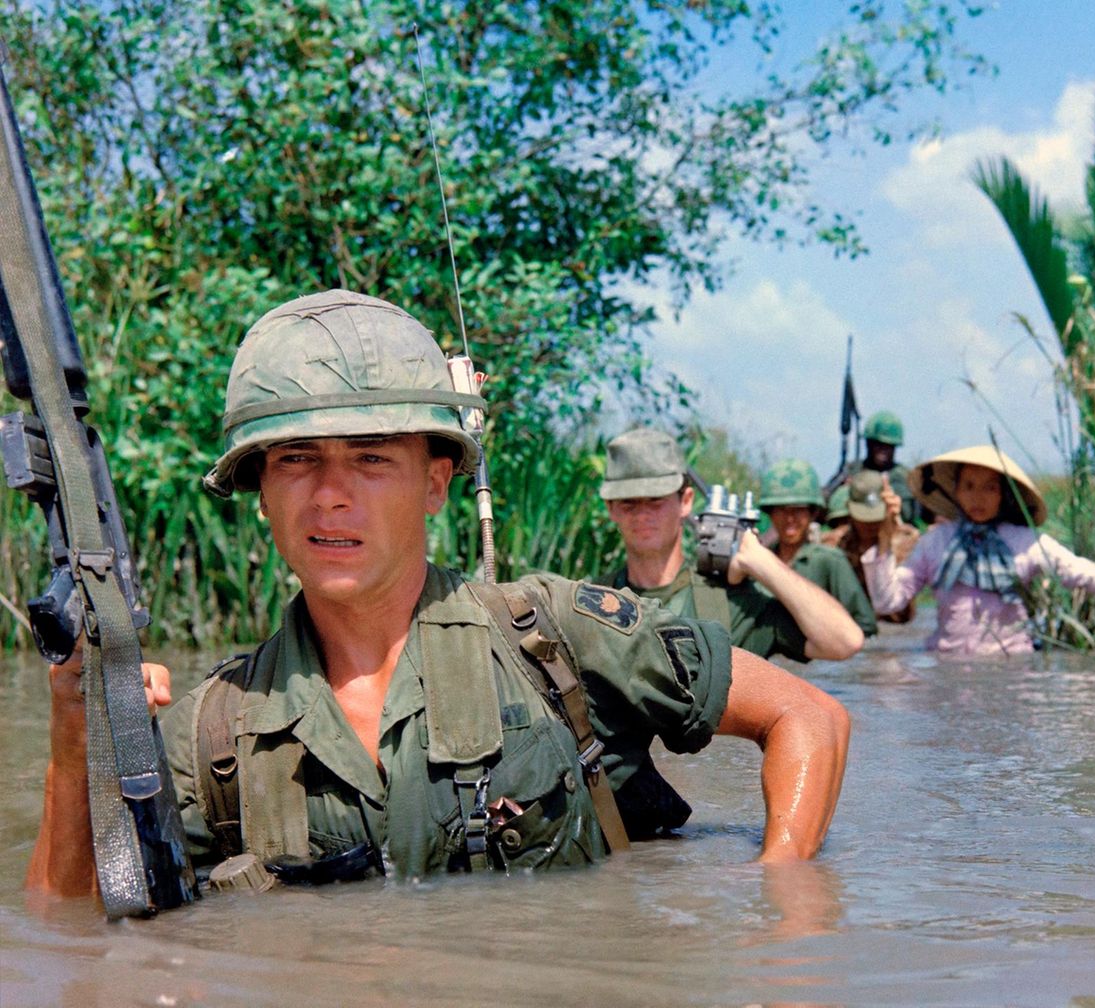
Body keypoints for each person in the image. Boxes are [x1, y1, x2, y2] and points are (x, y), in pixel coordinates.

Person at [26, 291, 850, 904]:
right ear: (262, 493)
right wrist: (78, 735)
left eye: (373, 457)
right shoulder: (212, 733)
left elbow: (809, 717)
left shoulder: (551, 637)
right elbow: (68, 930)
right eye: (296, 459)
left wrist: (784, 918)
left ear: (436, 482)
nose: (331, 494)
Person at [863, 444, 1095, 655]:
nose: (978, 497)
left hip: (1010, 665)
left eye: (990, 487)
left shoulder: (1026, 543)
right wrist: (883, 536)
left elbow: (1086, 574)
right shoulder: (936, 542)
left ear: (1004, 494)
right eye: (969, 486)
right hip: (946, 666)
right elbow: (887, 601)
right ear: (956, 492)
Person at [597, 429, 864, 664]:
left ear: (686, 501)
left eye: (656, 500)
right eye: (628, 502)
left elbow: (845, 642)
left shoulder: (735, 604)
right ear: (610, 508)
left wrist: (760, 561)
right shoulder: (591, 602)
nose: (642, 514)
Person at [757, 459, 877, 638]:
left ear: (812, 513)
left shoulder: (829, 560)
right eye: (781, 510)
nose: (790, 519)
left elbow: (865, 625)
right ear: (770, 513)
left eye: (798, 510)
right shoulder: (759, 561)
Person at [821, 469, 920, 625]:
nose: (870, 524)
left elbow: (899, 613)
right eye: (863, 517)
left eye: (875, 516)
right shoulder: (832, 547)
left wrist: (890, 530)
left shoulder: (907, 542)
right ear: (850, 510)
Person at [839, 410, 921, 525]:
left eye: (888, 446)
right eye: (878, 445)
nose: (883, 451)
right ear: (868, 444)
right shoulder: (853, 470)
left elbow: (907, 513)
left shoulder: (902, 476)